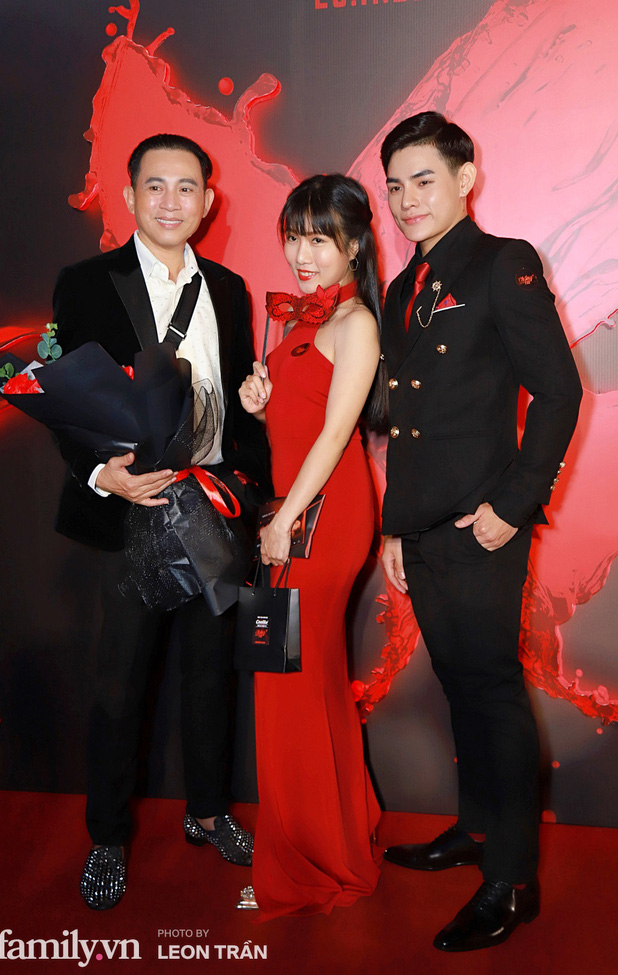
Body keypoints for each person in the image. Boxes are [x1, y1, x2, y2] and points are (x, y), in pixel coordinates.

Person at [378, 112, 582, 951]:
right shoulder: (402, 288)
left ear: (465, 179)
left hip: (482, 527)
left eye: (424, 180)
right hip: (422, 528)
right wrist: (394, 527)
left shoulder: (504, 263)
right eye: (395, 186)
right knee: (460, 685)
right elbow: (405, 421)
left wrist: (513, 506)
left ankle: (512, 880)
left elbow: (561, 392)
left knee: (492, 691)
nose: (407, 199)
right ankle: (475, 829)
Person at [52, 133, 271, 910]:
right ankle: (108, 837)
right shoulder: (87, 283)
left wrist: (253, 489)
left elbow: (241, 401)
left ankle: (207, 811)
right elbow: (62, 396)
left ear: (208, 200)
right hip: (132, 505)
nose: (171, 201)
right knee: (119, 682)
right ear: (129, 195)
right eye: (155, 186)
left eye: (187, 187)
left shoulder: (231, 289)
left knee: (211, 672)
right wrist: (100, 471)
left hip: (210, 505)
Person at [238, 174, 385, 919]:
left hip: (320, 519)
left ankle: (310, 860)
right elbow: (297, 421)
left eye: (319, 238)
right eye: (294, 236)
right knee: (309, 677)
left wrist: (281, 523)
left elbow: (333, 437)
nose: (302, 253)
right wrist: (258, 402)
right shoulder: (299, 318)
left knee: (288, 682)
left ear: (354, 244)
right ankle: (341, 827)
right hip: (297, 512)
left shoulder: (355, 322)